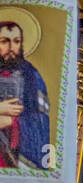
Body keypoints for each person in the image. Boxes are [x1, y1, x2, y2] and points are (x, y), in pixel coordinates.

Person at [0, 18, 50, 169]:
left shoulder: (32, 76)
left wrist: (12, 122)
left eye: (16, 41)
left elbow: (41, 122)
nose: (11, 47)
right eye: (4, 41)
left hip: (13, 157)